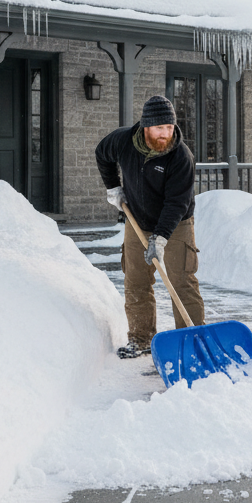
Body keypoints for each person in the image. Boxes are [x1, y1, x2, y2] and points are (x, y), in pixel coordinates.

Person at [95, 94, 205, 359]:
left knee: (181, 281)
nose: (166, 134)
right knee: (136, 281)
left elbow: (176, 203)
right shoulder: (122, 141)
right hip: (138, 219)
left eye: (169, 127)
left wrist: (161, 238)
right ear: (146, 127)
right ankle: (141, 339)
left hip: (175, 223)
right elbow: (102, 154)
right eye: (159, 128)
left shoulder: (181, 156)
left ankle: (192, 341)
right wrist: (113, 187)